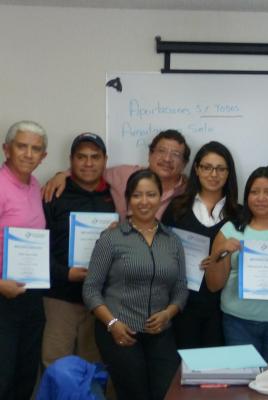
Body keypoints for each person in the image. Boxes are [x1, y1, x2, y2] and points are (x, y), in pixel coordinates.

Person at [83, 169, 188, 400]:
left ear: (160, 197)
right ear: (128, 199)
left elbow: (181, 287)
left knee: (167, 393)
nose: (144, 201)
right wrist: (112, 323)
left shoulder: (172, 240)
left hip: (161, 333)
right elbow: (90, 289)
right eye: (137, 195)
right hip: (120, 331)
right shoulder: (111, 238)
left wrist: (168, 314)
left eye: (151, 194)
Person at [204, 166, 268, 363]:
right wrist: (220, 252)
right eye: (254, 192)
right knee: (244, 382)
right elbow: (213, 285)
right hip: (238, 322)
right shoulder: (231, 229)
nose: (261, 198)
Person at [42, 133, 115, 368]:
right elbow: (38, 248)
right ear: (71, 160)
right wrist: (65, 274)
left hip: (101, 301)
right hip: (60, 298)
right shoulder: (53, 194)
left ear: (105, 160)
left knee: (94, 368)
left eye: (95, 157)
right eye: (81, 157)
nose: (88, 163)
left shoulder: (116, 195)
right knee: (56, 365)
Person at [162, 141, 239, 349]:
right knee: (183, 365)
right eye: (207, 167)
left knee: (216, 367)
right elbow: (161, 252)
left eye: (220, 169)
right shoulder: (177, 208)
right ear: (196, 169)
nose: (213, 174)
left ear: (228, 173)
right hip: (182, 307)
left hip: (223, 310)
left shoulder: (239, 215)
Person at [0, 120, 47, 400]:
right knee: (3, 377)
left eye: (36, 149)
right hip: (2, 296)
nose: (29, 154)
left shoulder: (34, 185)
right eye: (22, 146)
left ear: (43, 156)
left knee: (25, 375)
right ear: (6, 149)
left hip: (30, 295)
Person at [44, 129, 190, 219]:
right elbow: (92, 170)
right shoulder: (124, 175)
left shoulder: (189, 191)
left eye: (176, 154)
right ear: (150, 155)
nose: (167, 159)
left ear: (184, 164)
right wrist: (62, 175)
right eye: (161, 151)